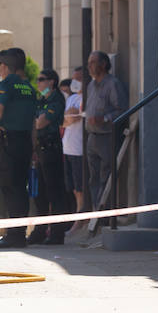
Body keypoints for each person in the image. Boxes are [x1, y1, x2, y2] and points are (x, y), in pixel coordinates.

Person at [0, 47, 39, 249]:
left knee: (10, 188)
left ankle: (14, 235)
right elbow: (34, 121)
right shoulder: (29, 87)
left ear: (4, 65)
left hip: (8, 142)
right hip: (25, 142)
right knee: (20, 187)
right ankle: (19, 233)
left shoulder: (6, 84)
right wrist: (33, 145)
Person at [84, 51, 128, 226]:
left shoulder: (112, 84)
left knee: (106, 176)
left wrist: (104, 119)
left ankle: (106, 214)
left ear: (103, 64)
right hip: (92, 137)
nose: (90, 66)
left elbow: (122, 110)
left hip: (107, 137)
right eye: (89, 63)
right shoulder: (90, 86)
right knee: (93, 177)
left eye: (93, 62)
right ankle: (97, 211)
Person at [30, 68, 73, 245]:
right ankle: (40, 230)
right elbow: (33, 121)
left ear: (51, 82)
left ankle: (57, 233)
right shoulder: (41, 100)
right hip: (39, 150)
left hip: (51, 148)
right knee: (40, 193)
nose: (39, 83)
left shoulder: (56, 99)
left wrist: (35, 121)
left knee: (55, 192)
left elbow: (40, 123)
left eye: (42, 79)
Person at [63, 71, 86, 213]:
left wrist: (70, 116)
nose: (75, 82)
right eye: (73, 79)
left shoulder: (86, 98)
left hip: (79, 149)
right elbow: (64, 121)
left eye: (78, 79)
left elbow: (75, 117)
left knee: (80, 187)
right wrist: (69, 116)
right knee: (71, 187)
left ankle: (80, 213)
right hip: (67, 148)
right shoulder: (71, 99)